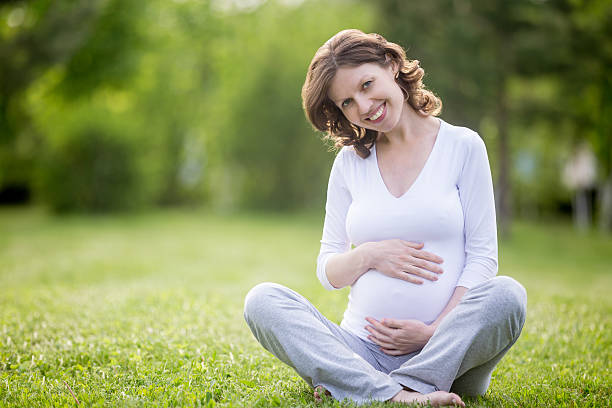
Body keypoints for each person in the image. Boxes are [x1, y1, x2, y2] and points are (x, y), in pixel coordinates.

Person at [243, 29, 527, 407]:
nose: (363, 105)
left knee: (508, 295)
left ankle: (372, 386)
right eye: (347, 102)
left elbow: (482, 259)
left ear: (392, 66)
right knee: (262, 301)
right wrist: (370, 255)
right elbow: (328, 271)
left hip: (448, 354)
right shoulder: (349, 164)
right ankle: (396, 395)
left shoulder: (463, 146)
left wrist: (433, 333)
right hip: (362, 350)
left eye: (366, 84)